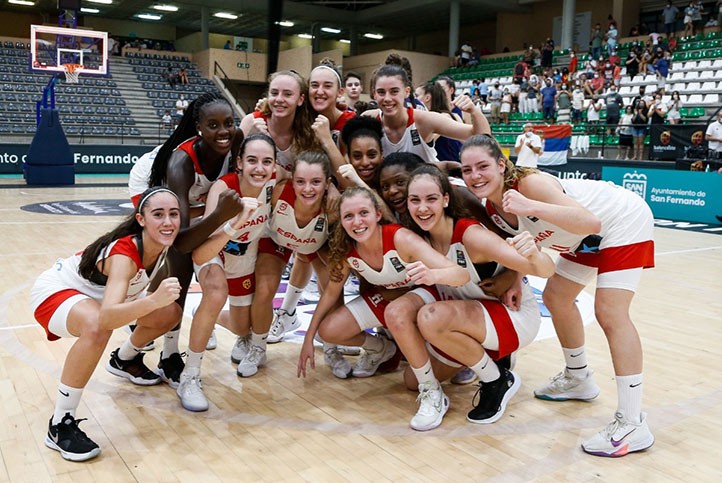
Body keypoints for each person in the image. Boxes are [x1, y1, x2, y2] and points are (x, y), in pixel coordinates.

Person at [461, 134, 656, 458]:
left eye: (482, 166)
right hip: (584, 240)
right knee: (556, 298)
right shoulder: (492, 209)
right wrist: (514, 276)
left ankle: (633, 422)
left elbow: (590, 221)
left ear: (500, 164)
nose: (475, 175)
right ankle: (578, 378)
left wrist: (531, 205)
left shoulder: (529, 186)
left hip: (620, 220)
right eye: (467, 170)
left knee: (610, 313)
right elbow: (530, 240)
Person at [31, 187, 183, 461]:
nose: (168, 222)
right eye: (158, 214)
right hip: (54, 292)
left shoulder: (161, 244)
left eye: (174, 214)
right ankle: (60, 422)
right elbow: (109, 318)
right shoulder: (125, 254)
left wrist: (236, 220)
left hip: (94, 302)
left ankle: (124, 360)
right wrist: (152, 300)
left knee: (169, 312)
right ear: (141, 220)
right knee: (98, 326)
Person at [400, 164, 554, 427]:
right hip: (475, 316)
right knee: (412, 381)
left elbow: (546, 269)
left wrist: (535, 255)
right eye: (415, 200)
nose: (422, 208)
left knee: (431, 316)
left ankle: (496, 380)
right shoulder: (418, 238)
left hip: (513, 316)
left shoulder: (471, 236)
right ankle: (494, 356)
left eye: (431, 199)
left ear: (446, 199)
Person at [296, 187, 469, 386]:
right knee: (328, 331)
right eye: (349, 216)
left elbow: (460, 274)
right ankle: (381, 348)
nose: (357, 222)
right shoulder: (347, 250)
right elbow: (330, 295)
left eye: (363, 213)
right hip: (389, 305)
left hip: (427, 303)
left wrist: (432, 275)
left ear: (378, 214)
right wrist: (308, 338)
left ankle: (461, 357)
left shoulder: (401, 239)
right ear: (342, 222)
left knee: (412, 381)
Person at [130, 93, 244, 387]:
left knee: (184, 252)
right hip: (149, 183)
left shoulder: (237, 139)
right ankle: (158, 340)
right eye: (213, 125)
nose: (224, 132)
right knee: (172, 258)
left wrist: (214, 214)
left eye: (229, 123)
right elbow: (179, 238)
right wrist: (218, 215)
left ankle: (161, 339)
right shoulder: (180, 161)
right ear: (199, 127)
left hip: (194, 204)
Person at [176, 134, 276, 410]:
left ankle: (205, 317)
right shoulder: (224, 189)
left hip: (245, 255)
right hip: (214, 249)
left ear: (275, 167)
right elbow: (202, 251)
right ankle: (190, 375)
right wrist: (238, 220)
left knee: (242, 328)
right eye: (252, 160)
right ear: (240, 163)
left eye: (267, 162)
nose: (259, 168)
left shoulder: (275, 185)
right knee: (216, 292)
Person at [363, 64, 488, 164]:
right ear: (374, 94)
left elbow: (479, 136)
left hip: (427, 191)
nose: (387, 98)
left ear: (407, 92)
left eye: (394, 91)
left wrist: (474, 111)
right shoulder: (368, 120)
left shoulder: (424, 120)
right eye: (381, 92)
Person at [240, 70, 318, 172]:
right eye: (274, 93)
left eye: (287, 94)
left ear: (300, 99)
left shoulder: (308, 132)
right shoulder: (252, 121)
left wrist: (284, 174)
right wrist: (250, 141)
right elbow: (235, 167)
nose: (279, 99)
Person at [415, 81, 463, 162]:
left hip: (448, 169)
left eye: (417, 96)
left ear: (427, 98)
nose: (415, 99)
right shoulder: (452, 115)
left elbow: (423, 144)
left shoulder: (445, 116)